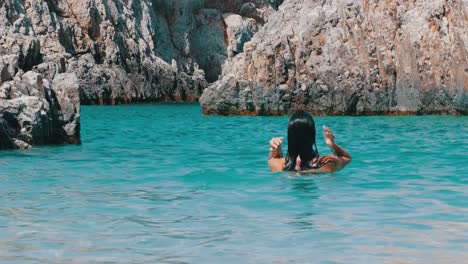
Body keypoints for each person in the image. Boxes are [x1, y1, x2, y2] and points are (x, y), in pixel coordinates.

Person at [268, 111, 351, 173]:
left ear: (290, 137)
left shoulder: (278, 165)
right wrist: (332, 144)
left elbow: (272, 159)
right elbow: (347, 158)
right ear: (312, 136)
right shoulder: (327, 164)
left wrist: (276, 150)